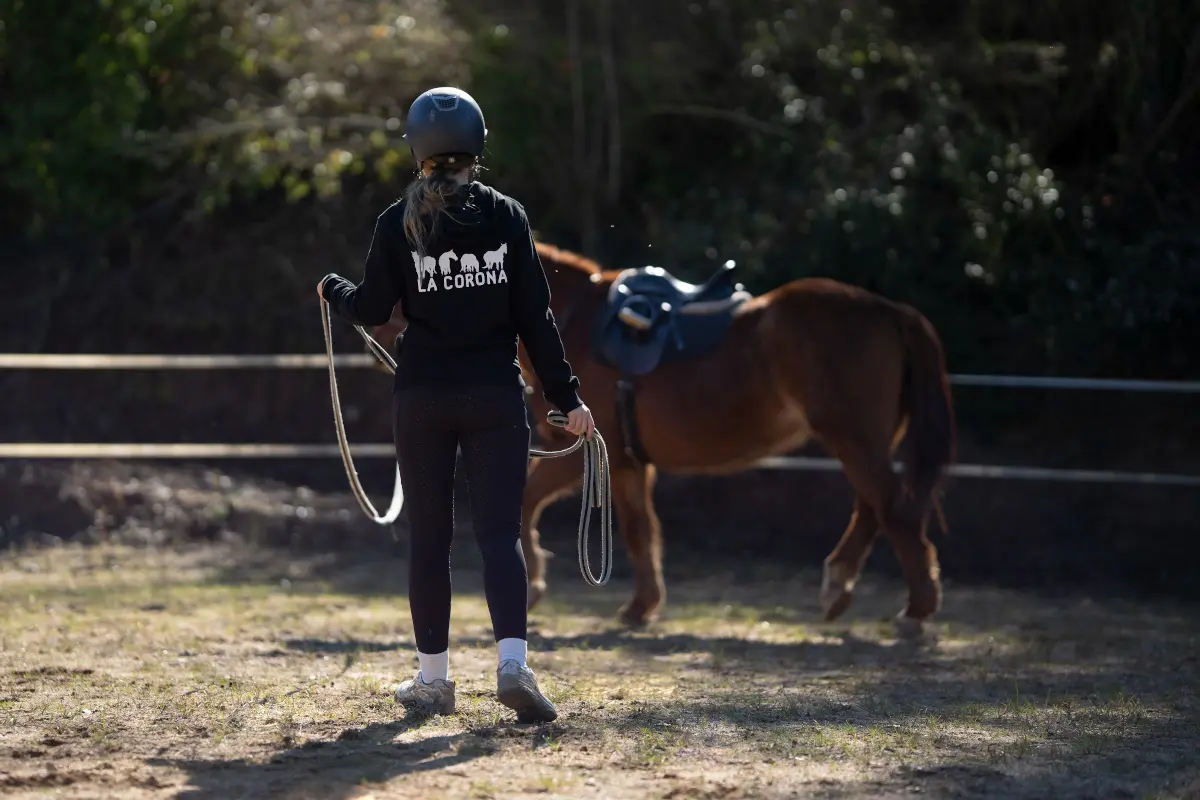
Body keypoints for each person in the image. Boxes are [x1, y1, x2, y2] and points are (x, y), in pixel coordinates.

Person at [317, 86, 595, 723]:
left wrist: (333, 289)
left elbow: (369, 309)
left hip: (422, 398)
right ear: (477, 145)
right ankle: (513, 665)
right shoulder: (507, 216)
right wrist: (567, 398)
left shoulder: (396, 223)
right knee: (501, 536)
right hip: (496, 396)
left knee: (430, 542)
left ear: (417, 148)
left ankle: (434, 680)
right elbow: (536, 317)